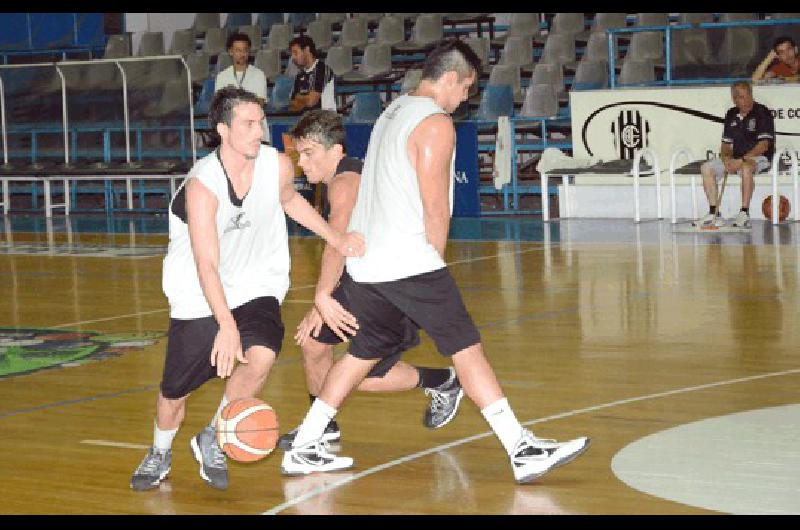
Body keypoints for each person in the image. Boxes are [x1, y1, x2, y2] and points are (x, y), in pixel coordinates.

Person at [280, 40, 590, 484]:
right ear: (450, 78)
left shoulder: (393, 111)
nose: (465, 98)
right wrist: (435, 262)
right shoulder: (435, 123)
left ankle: (306, 445)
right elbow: (435, 206)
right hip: (408, 260)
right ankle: (521, 448)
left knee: (361, 355)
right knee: (466, 348)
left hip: (369, 265)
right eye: (466, 88)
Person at [129, 87, 364, 492]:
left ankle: (213, 437)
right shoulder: (202, 185)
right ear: (223, 130)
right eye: (249, 124)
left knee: (262, 355)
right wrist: (225, 323)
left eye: (261, 122)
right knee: (174, 394)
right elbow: (206, 264)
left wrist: (336, 238)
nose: (260, 132)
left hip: (257, 282)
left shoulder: (275, 164)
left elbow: (290, 201)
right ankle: (159, 452)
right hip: (199, 292)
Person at [275, 109, 466, 450]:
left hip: (390, 286)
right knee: (317, 348)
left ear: (335, 151)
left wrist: (322, 299)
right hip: (371, 279)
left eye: (309, 153)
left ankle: (442, 380)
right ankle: (323, 429)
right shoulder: (349, 174)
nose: (302, 163)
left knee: (353, 374)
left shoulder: (344, 184)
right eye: (298, 154)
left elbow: (338, 244)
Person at [698, 81, 775, 229]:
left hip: (759, 157)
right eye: (741, 97)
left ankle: (744, 213)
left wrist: (741, 160)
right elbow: (726, 144)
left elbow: (763, 145)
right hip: (736, 158)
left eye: (748, 96)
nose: (746, 101)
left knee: (746, 167)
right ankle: (714, 213)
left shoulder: (762, 112)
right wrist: (726, 158)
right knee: (706, 168)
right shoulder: (731, 114)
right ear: (734, 99)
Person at [215, 32, 271, 144]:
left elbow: (259, 103)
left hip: (255, 129)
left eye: (245, 50)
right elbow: (220, 104)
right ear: (230, 52)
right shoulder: (222, 76)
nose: (242, 54)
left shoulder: (258, 75)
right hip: (233, 132)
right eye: (238, 50)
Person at [288, 35, 333, 112]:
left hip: (324, 119)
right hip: (307, 119)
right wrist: (305, 99)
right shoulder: (300, 75)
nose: (293, 57)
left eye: (295, 53)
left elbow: (312, 101)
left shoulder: (322, 69)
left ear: (307, 50)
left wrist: (300, 98)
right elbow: (292, 104)